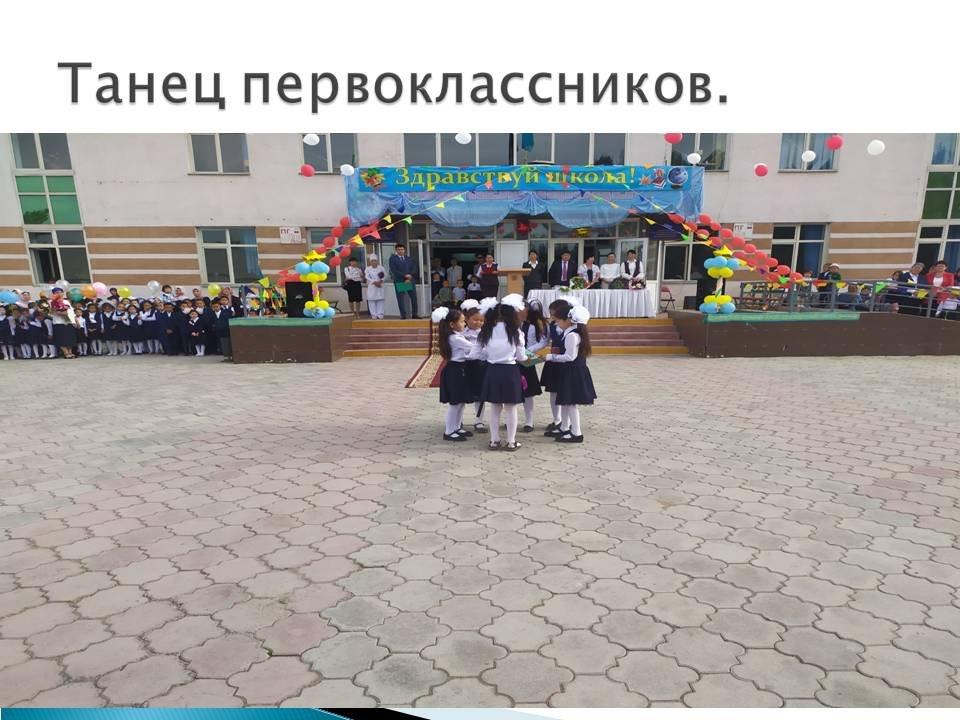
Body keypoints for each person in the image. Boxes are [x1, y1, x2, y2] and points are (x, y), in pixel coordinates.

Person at [468, 295, 526, 451]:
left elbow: (474, 354)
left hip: (492, 370)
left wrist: (489, 355)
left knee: (494, 407)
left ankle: (494, 440)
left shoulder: (485, 331)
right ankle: (511, 441)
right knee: (511, 408)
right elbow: (522, 357)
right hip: (510, 370)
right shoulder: (516, 332)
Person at [537, 300, 597, 443]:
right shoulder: (572, 332)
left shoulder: (572, 335)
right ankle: (564, 427)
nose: (556, 324)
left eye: (558, 321)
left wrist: (550, 357)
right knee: (565, 401)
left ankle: (576, 433)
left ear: (568, 321)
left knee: (570, 403)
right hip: (570, 370)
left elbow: (570, 357)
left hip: (572, 371)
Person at [434, 307, 475, 442]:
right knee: (455, 403)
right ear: (452, 324)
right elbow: (473, 347)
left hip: (460, 369)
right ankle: (449, 431)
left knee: (461, 402)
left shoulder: (456, 336)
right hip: (455, 370)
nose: (464, 324)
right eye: (462, 321)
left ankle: (456, 427)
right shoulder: (455, 338)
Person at [519, 299, 548, 432]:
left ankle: (529, 421)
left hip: (526, 360)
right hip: (510, 361)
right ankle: (510, 419)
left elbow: (541, 342)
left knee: (528, 393)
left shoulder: (531, 326)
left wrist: (528, 351)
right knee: (511, 392)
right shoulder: (507, 326)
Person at [461, 299, 487, 433]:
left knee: (480, 394)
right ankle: (458, 420)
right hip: (465, 365)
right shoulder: (462, 333)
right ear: (466, 319)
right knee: (463, 393)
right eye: (475, 320)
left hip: (480, 366)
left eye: (481, 320)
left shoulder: (486, 333)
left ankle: (479, 420)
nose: (478, 323)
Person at [389, 243, 418, 319]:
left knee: (414, 298)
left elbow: (414, 267)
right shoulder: (393, 259)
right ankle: (403, 315)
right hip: (400, 281)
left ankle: (414, 314)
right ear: (396, 250)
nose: (400, 251)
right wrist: (405, 276)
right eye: (399, 249)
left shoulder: (409, 258)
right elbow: (394, 270)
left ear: (404, 250)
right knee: (401, 299)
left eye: (402, 249)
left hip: (409, 280)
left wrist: (409, 276)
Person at [48, 287, 78, 359]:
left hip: (68, 322)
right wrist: (57, 312)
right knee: (61, 339)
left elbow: (71, 312)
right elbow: (50, 312)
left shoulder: (66, 301)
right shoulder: (50, 302)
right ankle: (66, 353)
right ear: (53, 294)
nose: (59, 294)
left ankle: (70, 352)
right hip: (58, 322)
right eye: (56, 292)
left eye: (60, 292)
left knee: (69, 338)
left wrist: (75, 321)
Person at [365, 255, 387, 320]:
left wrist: (380, 281)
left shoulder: (381, 268)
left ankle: (380, 314)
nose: (374, 262)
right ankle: (373, 314)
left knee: (380, 300)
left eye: (375, 261)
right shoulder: (367, 269)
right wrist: (374, 282)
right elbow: (367, 276)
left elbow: (385, 275)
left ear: (377, 261)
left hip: (380, 285)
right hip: (372, 286)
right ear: (370, 262)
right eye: (372, 261)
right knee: (371, 300)